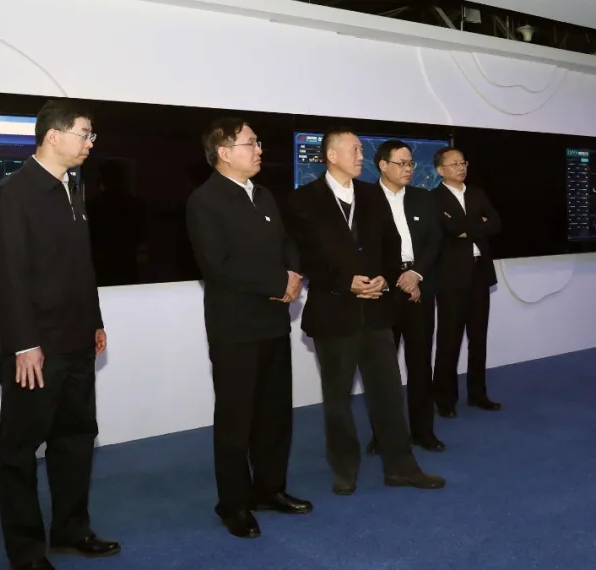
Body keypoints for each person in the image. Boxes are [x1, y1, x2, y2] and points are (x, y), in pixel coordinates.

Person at [0, 100, 118, 570]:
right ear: (52, 136)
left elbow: (81, 267)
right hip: (36, 352)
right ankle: (26, 553)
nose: (90, 143)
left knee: (76, 439)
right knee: (20, 452)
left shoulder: (70, 189)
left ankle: (71, 530)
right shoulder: (12, 194)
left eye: (91, 135)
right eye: (84, 133)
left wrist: (95, 321)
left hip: (77, 341)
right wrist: (23, 345)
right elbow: (6, 278)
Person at [282, 128, 445, 495]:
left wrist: (385, 278)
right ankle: (345, 469)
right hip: (333, 313)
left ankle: (401, 467)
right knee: (338, 399)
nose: (361, 156)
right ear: (332, 156)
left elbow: (392, 245)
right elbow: (302, 254)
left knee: (388, 394)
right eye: (354, 150)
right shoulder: (302, 200)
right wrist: (345, 282)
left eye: (360, 150)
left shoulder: (372, 196)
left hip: (376, 312)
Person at [185, 117, 311, 540]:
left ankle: (269, 489)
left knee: (274, 415)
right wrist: (278, 283)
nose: (259, 150)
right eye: (251, 143)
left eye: (258, 143)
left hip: (273, 322)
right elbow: (217, 265)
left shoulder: (264, 194)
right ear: (224, 152)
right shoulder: (205, 201)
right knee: (236, 420)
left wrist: (293, 274)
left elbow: (287, 243)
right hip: (235, 327)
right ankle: (233, 504)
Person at [363, 140, 445, 453]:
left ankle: (423, 431)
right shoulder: (365, 199)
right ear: (382, 165)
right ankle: (383, 435)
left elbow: (434, 241)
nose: (408, 169)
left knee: (420, 363)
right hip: (382, 290)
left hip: (418, 287)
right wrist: (391, 277)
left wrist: (416, 274)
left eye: (411, 163)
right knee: (382, 369)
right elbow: (362, 246)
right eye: (401, 163)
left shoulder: (424, 198)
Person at [431, 147, 502, 418]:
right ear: (440, 170)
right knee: (449, 340)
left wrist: (466, 227)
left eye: (463, 163)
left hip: (479, 274)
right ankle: (444, 399)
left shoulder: (476, 193)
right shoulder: (433, 198)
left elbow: (495, 223)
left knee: (478, 339)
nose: (461, 168)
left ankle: (478, 394)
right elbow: (451, 229)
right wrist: (476, 224)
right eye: (454, 164)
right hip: (450, 278)